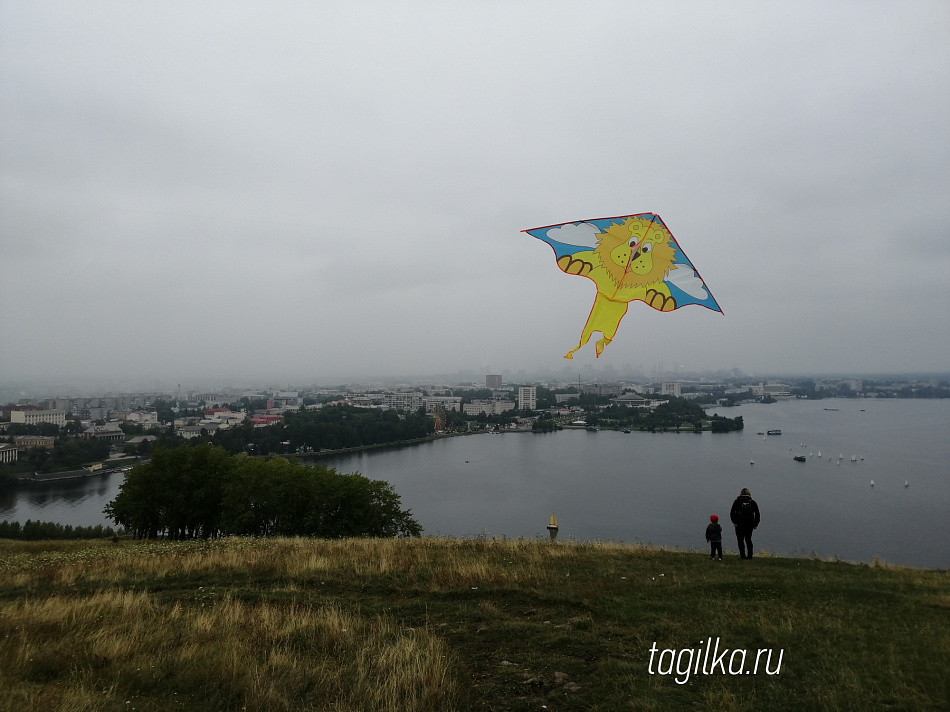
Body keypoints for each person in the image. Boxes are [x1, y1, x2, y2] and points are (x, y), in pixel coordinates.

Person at [730, 487, 760, 559]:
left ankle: (742, 555)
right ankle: (750, 555)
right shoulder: (753, 502)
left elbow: (732, 513)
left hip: (739, 524)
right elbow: (757, 514)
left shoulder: (737, 501)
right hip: (750, 524)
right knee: (748, 539)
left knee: (740, 540)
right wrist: (755, 524)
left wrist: (735, 522)